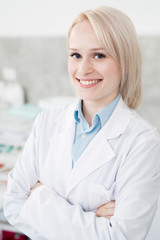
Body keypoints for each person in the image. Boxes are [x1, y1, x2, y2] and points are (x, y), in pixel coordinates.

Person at [4, 6, 160, 240]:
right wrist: (93, 223)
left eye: (99, 55)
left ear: (125, 62)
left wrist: (38, 198)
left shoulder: (143, 142)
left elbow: (122, 236)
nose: (83, 69)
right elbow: (13, 204)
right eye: (75, 55)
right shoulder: (47, 120)